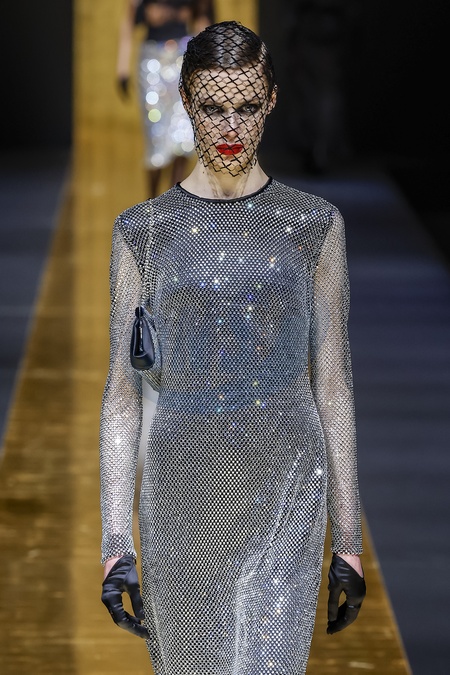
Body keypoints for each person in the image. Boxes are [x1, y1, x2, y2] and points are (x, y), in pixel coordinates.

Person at [100, 20, 366, 674]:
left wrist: (348, 539)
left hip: (287, 490)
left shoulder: (313, 226)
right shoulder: (143, 233)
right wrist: (114, 544)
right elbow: (123, 397)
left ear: (272, 99)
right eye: (213, 107)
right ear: (185, 101)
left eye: (246, 107)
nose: (230, 126)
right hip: (181, 496)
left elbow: (333, 384)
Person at [116, 0, 214, 197]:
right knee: (156, 133)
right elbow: (129, 24)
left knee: (183, 134)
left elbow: (203, 23)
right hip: (152, 62)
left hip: (183, 58)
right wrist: (122, 67)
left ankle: (173, 199)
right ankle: (152, 201)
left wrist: (208, 66)